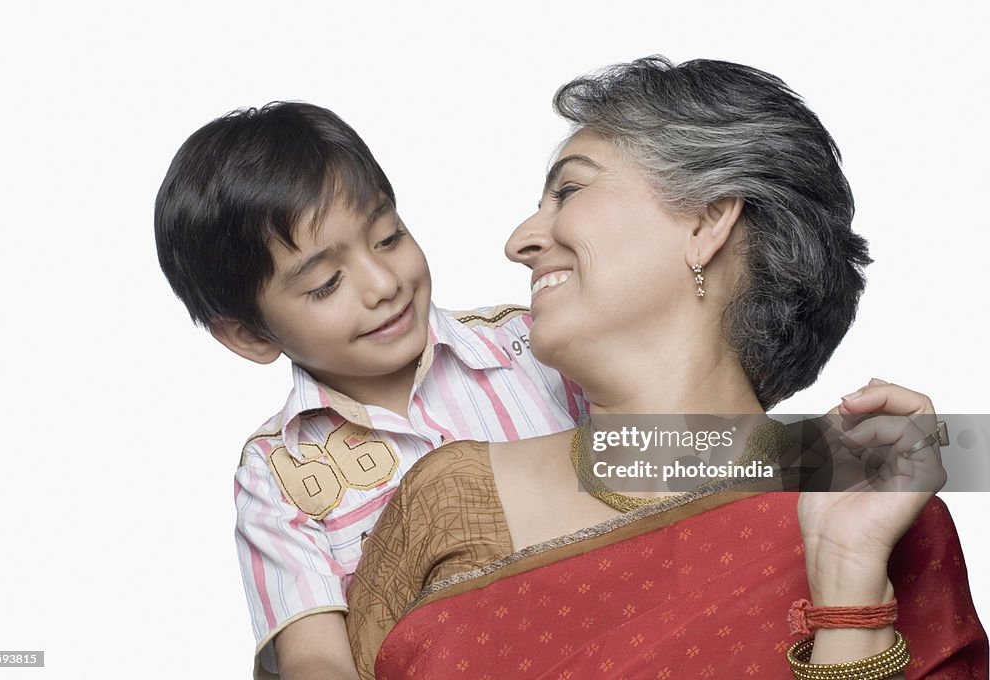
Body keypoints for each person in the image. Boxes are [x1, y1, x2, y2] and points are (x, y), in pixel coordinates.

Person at [345, 57, 987, 679]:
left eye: (569, 189)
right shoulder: (449, 501)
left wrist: (849, 593)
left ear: (707, 222)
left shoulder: (875, 506)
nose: (518, 242)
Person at [154, 103, 585, 680]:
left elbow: (677, 453)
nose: (384, 285)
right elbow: (316, 658)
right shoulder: (278, 474)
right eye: (326, 284)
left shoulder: (530, 345)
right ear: (249, 334)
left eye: (388, 238)